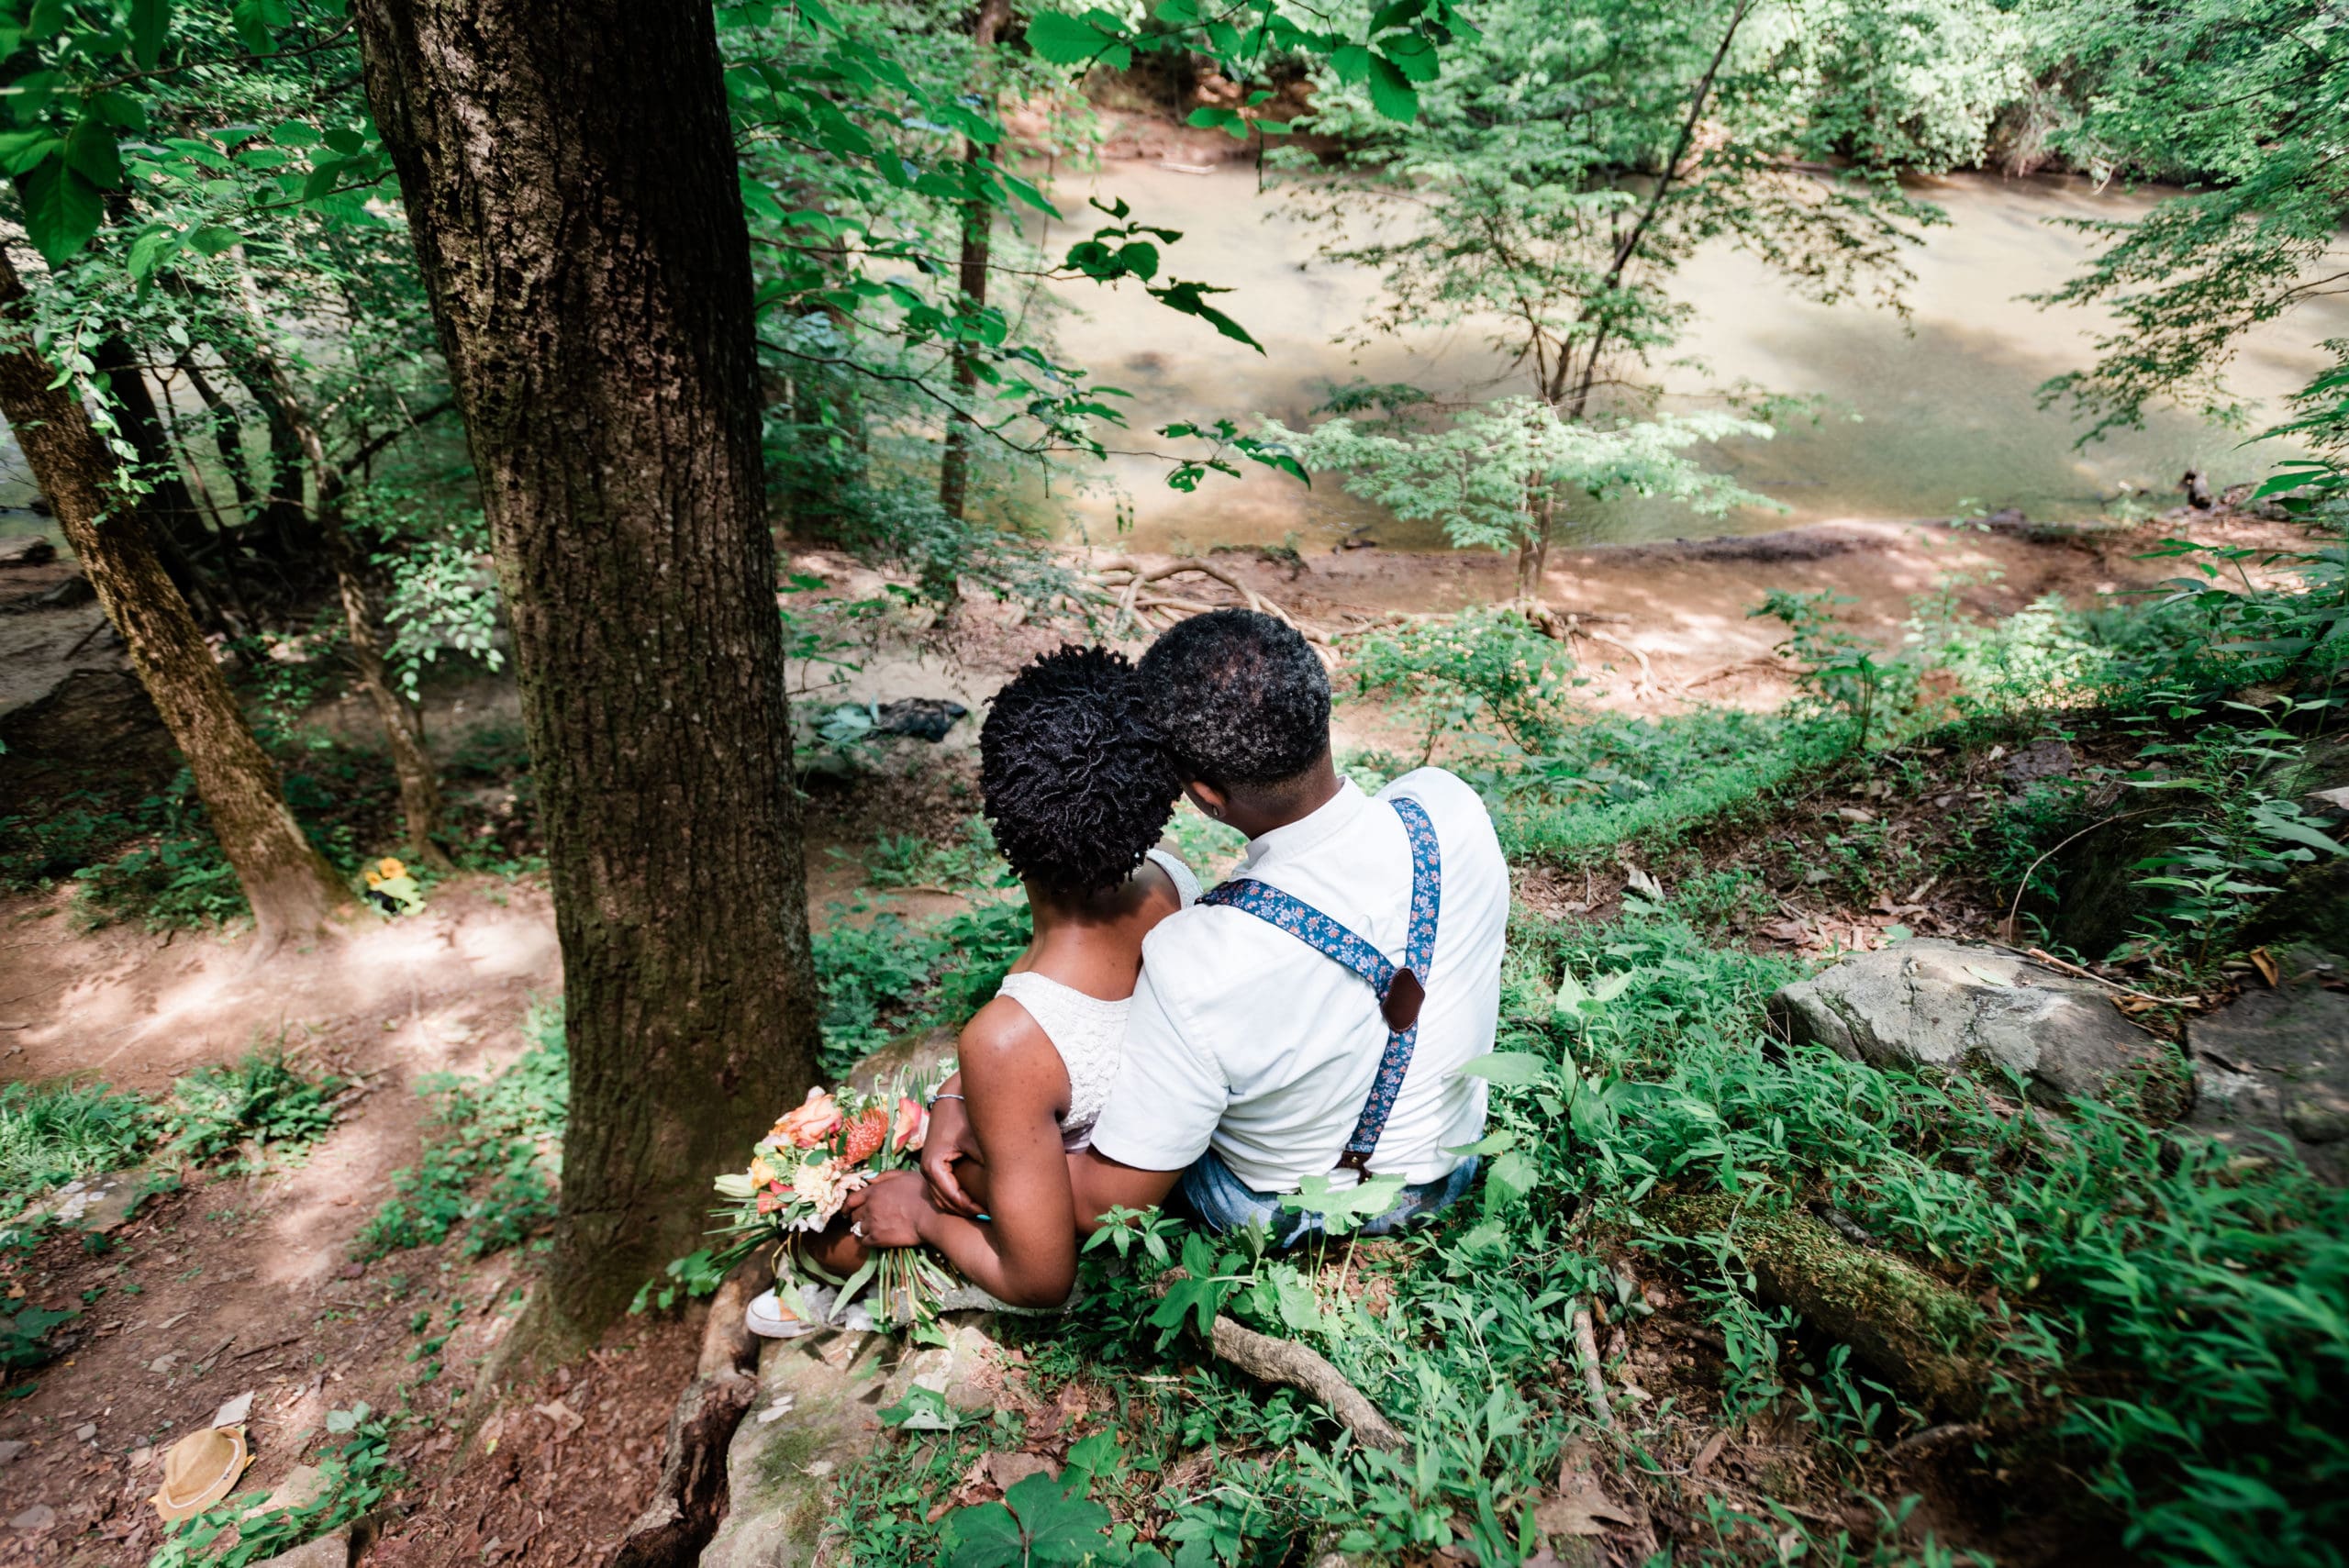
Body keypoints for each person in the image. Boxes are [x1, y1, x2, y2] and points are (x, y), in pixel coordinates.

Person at [870, 607, 1508, 1249]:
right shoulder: (1446, 806)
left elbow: (1099, 1204)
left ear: (1205, 796)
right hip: (1455, 1156)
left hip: (1306, 1206)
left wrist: (985, 1164)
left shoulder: (1201, 958)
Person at [747, 645, 1194, 1334]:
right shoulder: (1173, 882)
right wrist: (956, 1092)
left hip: (1061, 1216)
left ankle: (861, 1300)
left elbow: (1041, 1276)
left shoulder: (1010, 1035)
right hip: (1098, 1159)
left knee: (822, 1237)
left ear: (1000, 810)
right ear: (1155, 796)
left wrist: (922, 1211)